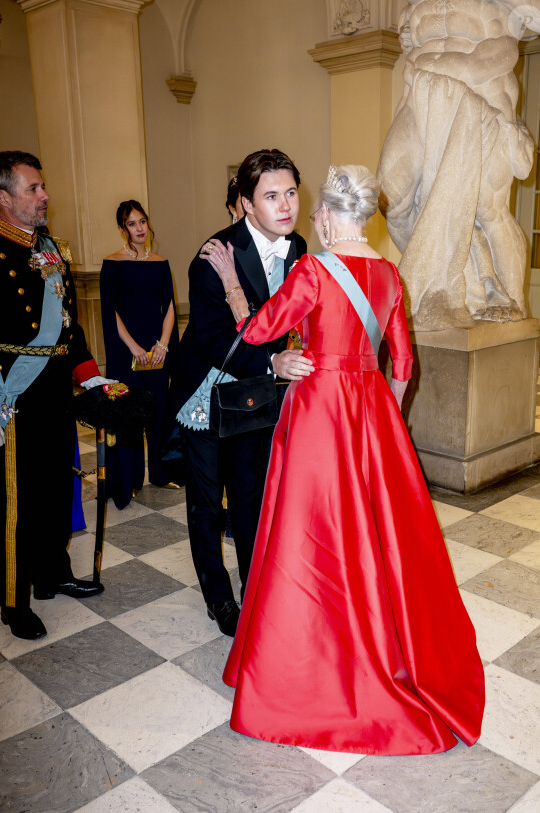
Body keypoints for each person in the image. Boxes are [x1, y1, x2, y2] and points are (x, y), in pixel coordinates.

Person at [205, 164, 485, 754]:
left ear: (330, 218)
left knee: (309, 535)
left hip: (319, 414)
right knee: (379, 534)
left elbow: (258, 332)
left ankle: (309, 650)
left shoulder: (313, 269)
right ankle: (385, 643)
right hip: (374, 413)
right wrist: (383, 410)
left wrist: (233, 286)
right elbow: (403, 366)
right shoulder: (389, 274)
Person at [0, 151, 111, 641]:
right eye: (33, 189)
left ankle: (54, 573)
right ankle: (14, 601)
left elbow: (69, 328)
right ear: (3, 197)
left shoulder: (54, 250)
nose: (44, 195)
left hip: (54, 396)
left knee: (55, 490)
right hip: (11, 399)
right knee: (15, 505)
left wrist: (92, 378)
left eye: (42, 186)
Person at [172, 148, 312, 637]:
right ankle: (219, 599)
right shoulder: (215, 256)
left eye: (291, 192)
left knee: (252, 496)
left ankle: (256, 591)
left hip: (254, 394)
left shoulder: (298, 249)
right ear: (247, 205)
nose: (286, 205)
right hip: (206, 393)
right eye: (271, 196)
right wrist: (271, 360)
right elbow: (211, 340)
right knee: (208, 505)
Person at [377, 0, 540, 328]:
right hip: (419, 98)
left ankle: (506, 296)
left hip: (483, 102)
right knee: (392, 197)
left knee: (485, 210)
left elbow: (515, 41)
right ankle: (436, 281)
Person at [100, 200, 179, 509]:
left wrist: (162, 345)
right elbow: (110, 311)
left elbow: (170, 306)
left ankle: (160, 473)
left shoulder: (160, 262)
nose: (140, 228)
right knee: (129, 414)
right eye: (132, 224)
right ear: (123, 229)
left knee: (159, 411)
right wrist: (134, 347)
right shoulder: (113, 263)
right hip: (126, 348)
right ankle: (129, 480)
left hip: (158, 348)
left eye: (142, 221)